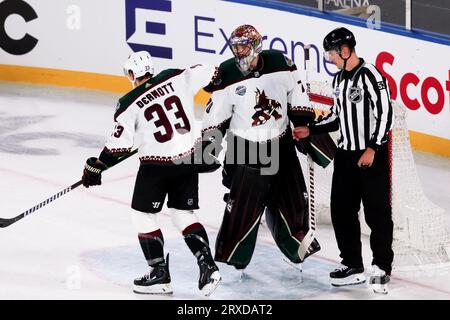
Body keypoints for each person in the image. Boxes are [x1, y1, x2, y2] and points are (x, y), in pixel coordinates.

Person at [81, 51, 221, 296]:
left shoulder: (127, 103)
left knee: (142, 216)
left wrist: (96, 166)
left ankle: (159, 274)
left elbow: (118, 147)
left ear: (133, 74)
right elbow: (213, 72)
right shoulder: (176, 77)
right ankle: (208, 267)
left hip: (156, 167)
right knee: (182, 214)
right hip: (189, 160)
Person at [202, 24, 320, 271]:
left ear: (256, 46)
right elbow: (216, 116)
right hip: (246, 148)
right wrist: (208, 148)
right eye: (236, 47)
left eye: (244, 46)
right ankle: (236, 255)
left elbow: (296, 95)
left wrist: (303, 125)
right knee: (243, 208)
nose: (239, 52)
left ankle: (296, 246)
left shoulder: (280, 62)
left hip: (281, 143)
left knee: (291, 200)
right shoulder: (227, 73)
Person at [293, 27, 394, 290]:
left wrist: (373, 148)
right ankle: (353, 264)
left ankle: (382, 265)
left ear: (345, 50)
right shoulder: (338, 81)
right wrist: (311, 129)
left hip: (372, 156)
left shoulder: (371, 75)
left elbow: (385, 114)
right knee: (342, 211)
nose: (330, 59)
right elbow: (336, 117)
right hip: (346, 156)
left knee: (377, 214)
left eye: (332, 54)